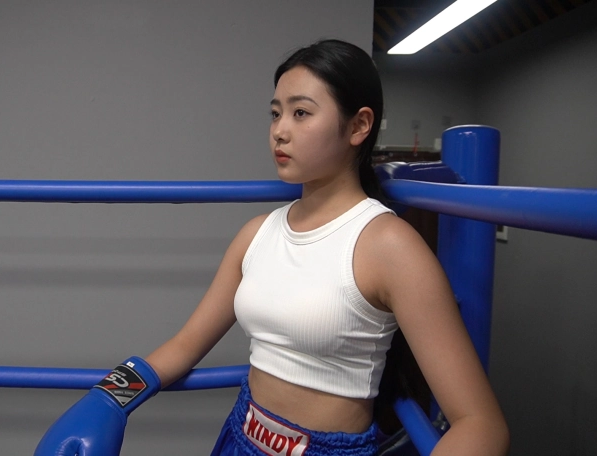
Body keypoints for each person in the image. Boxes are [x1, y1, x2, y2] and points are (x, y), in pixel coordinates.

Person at [34, 39, 510, 456]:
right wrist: (110, 396)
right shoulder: (257, 233)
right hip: (239, 435)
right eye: (276, 112)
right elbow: (184, 345)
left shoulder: (388, 245)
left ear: (358, 125)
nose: (280, 130)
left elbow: (480, 423)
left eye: (301, 112)